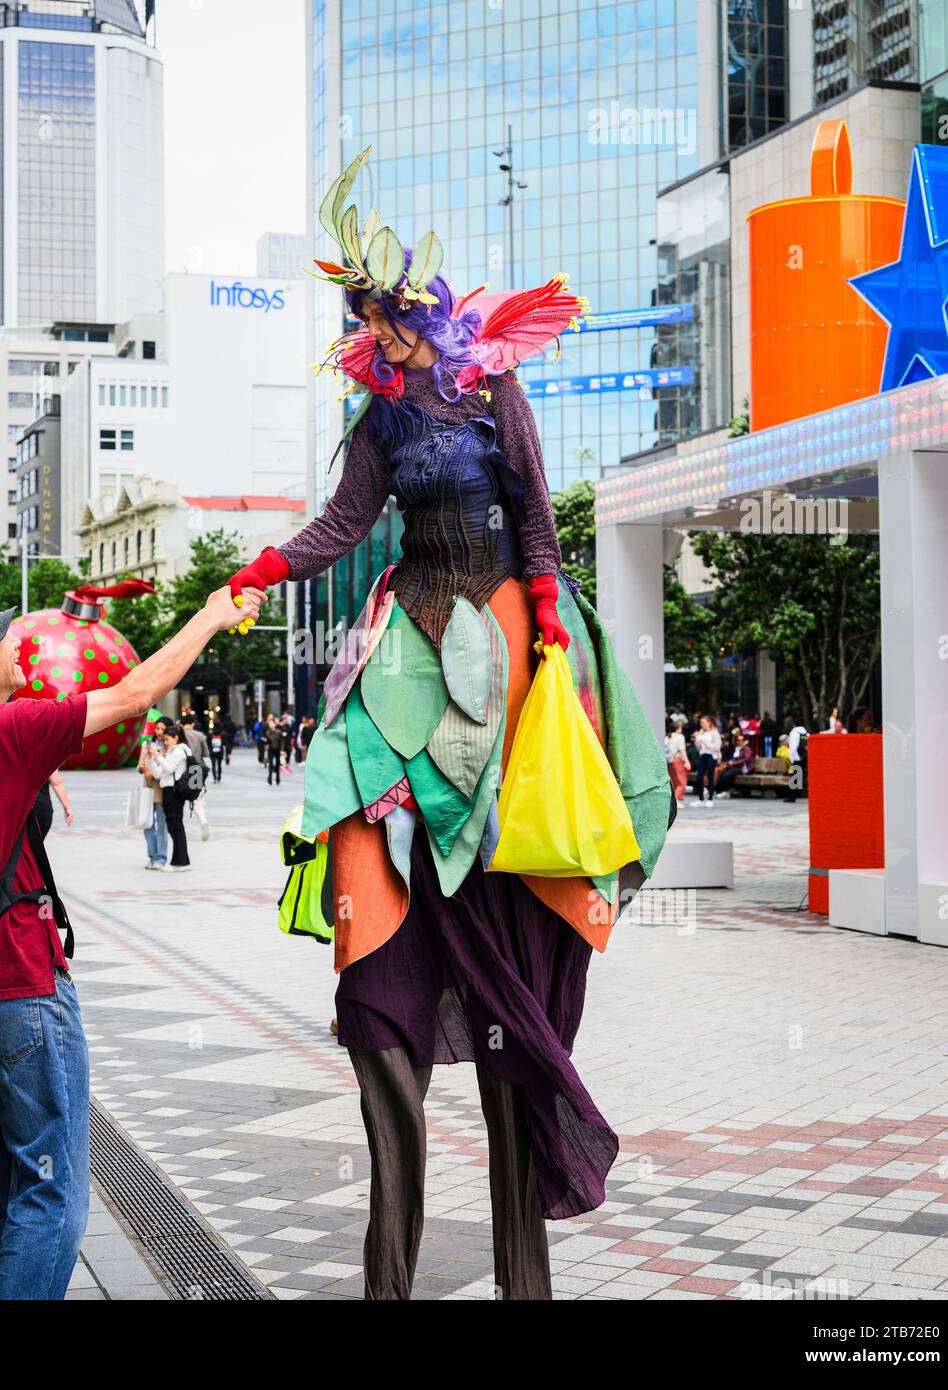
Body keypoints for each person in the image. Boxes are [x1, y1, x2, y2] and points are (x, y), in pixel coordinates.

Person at [225, 151, 671, 1301]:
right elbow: (342, 522)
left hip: (513, 635)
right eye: (368, 321)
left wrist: (556, 646)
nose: (385, 337)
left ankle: (526, 1280)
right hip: (413, 636)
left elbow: (535, 520)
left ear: (422, 311)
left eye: (392, 316)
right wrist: (267, 566)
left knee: (515, 886)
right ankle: (389, 1284)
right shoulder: (377, 417)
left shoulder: (492, 395)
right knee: (358, 790)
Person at [0, 582, 263, 1301]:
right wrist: (211, 616)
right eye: (0, 641)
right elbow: (137, 693)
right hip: (20, 990)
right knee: (52, 1193)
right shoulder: (10, 729)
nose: (16, 647)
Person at [148, 720, 191, 871]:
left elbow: (170, 767)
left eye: (167, 739)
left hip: (174, 791)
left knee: (176, 827)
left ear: (176, 738)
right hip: (167, 790)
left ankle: (181, 863)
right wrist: (151, 759)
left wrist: (158, 756)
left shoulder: (179, 750)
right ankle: (181, 860)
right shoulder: (171, 751)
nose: (165, 742)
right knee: (174, 827)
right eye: (164, 740)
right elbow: (159, 773)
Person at [137, 723, 169, 870]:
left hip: (162, 792)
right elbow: (140, 765)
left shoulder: (169, 746)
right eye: (157, 728)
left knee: (162, 826)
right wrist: (143, 768)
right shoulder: (147, 744)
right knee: (147, 824)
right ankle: (152, 856)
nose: (159, 732)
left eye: (163, 729)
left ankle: (161, 858)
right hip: (148, 790)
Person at [178, 714, 211, 840]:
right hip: (196, 770)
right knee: (197, 800)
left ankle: (183, 830)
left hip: (181, 771)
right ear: (192, 724)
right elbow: (206, 753)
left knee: (182, 802)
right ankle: (203, 822)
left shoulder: (179, 735)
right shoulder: (200, 736)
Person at [715, 729, 755, 798]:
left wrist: (733, 763)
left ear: (744, 741)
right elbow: (734, 758)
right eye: (738, 740)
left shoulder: (746, 748)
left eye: (741, 740)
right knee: (722, 773)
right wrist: (729, 763)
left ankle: (728, 790)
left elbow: (746, 759)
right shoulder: (738, 748)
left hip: (744, 768)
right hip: (737, 767)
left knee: (727, 775)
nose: (740, 742)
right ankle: (724, 791)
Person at [693, 714, 721, 805]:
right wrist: (697, 738)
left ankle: (710, 798)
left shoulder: (715, 732)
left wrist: (705, 742)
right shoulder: (701, 732)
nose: (702, 725)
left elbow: (717, 747)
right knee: (699, 776)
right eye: (701, 723)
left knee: (710, 776)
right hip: (703, 755)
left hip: (711, 756)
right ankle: (700, 798)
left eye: (703, 723)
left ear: (708, 722)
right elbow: (698, 747)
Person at [664, 723, 689, 804]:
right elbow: (682, 750)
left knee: (673, 781)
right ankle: (676, 800)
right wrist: (686, 761)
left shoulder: (667, 737)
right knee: (682, 782)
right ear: (678, 728)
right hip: (677, 759)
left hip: (669, 760)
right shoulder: (680, 737)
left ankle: (672, 801)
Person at [264, 714, 284, 786]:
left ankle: (278, 778)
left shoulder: (279, 732)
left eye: (272, 723)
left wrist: (282, 750)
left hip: (277, 749)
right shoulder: (267, 732)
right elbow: (266, 741)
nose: (271, 725)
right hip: (270, 749)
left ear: (275, 724)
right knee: (271, 764)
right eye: (270, 724)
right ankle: (269, 778)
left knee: (278, 764)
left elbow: (282, 741)